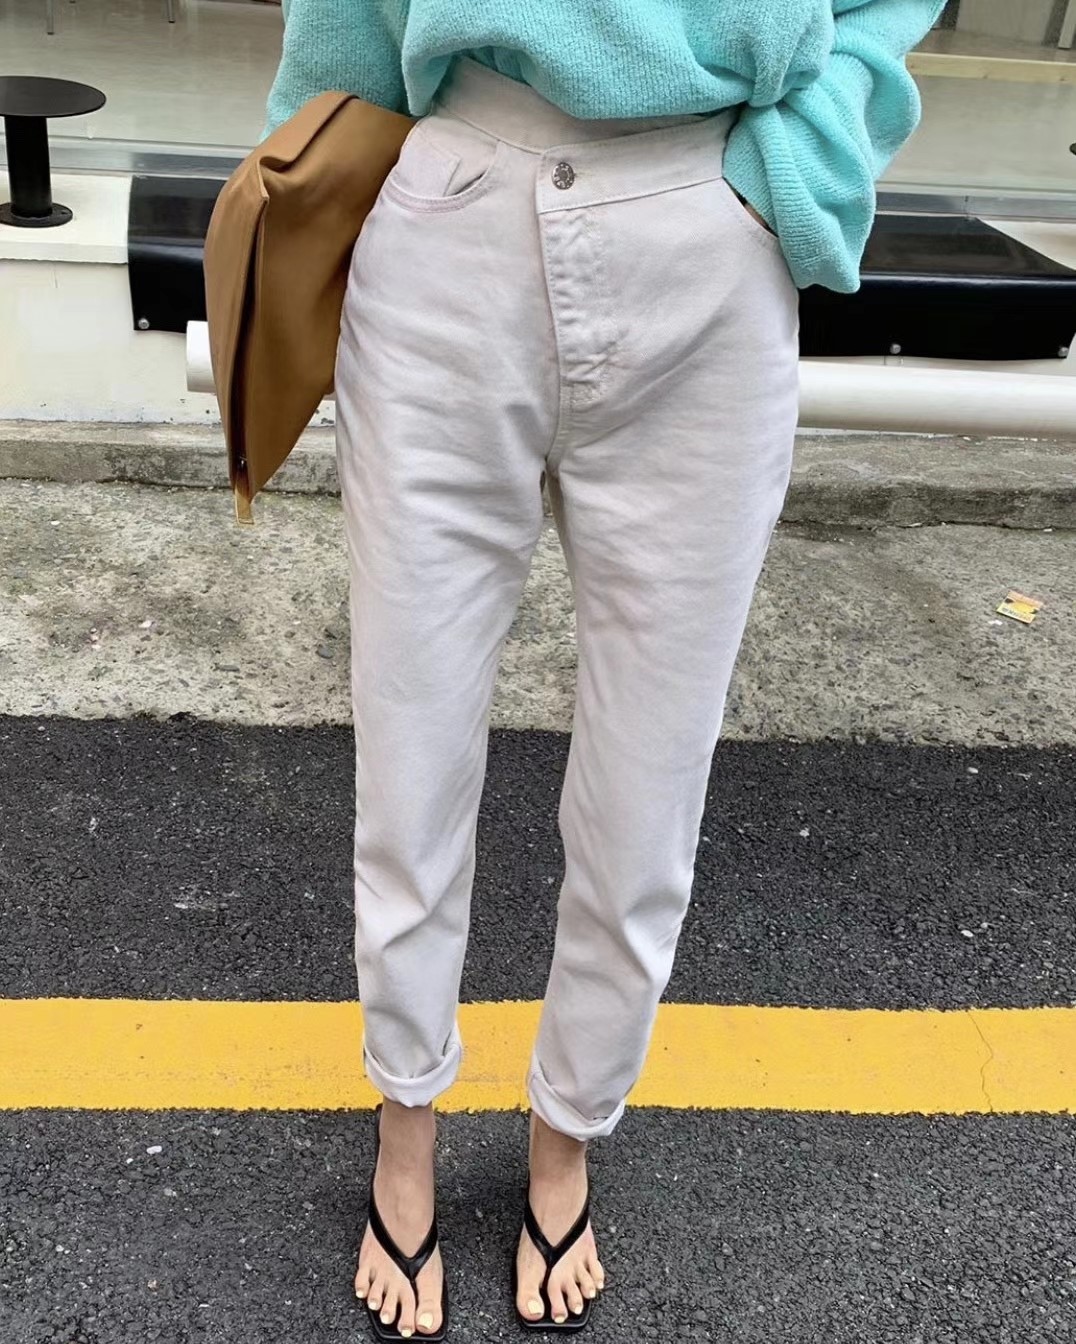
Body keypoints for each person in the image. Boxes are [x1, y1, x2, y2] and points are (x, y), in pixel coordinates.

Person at [263, 1, 945, 1337]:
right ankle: (405, 1123)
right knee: (408, 749)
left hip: (711, 221)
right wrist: (319, 165)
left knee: (650, 781)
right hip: (453, 210)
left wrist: (794, 164)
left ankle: (567, 1132)